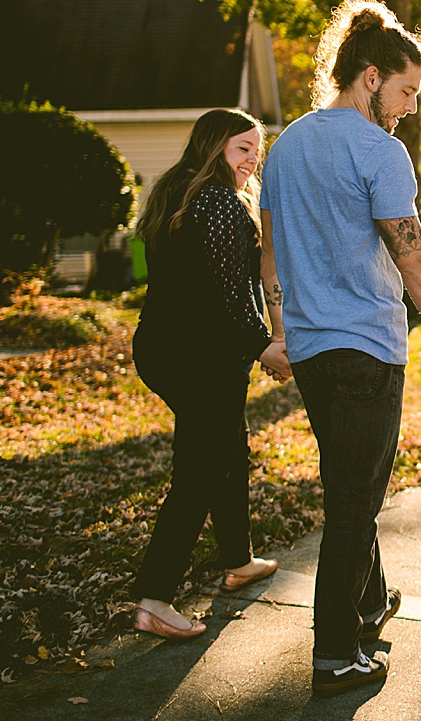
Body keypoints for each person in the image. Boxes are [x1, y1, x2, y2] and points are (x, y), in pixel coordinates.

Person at [259, 0, 421, 695]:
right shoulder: (378, 151)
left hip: (308, 351)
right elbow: (416, 261)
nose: (410, 106)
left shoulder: (288, 145)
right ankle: (336, 655)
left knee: (347, 487)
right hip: (366, 350)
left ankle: (370, 602)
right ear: (370, 78)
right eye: (406, 90)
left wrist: (279, 335)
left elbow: (270, 256)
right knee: (353, 505)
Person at [129, 108, 292, 640]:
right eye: (242, 147)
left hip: (164, 347)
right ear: (214, 146)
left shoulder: (175, 191)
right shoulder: (220, 201)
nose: (253, 158)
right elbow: (229, 294)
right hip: (200, 356)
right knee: (200, 468)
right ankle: (154, 598)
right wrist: (265, 345)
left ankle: (237, 559)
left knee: (228, 448)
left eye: (257, 149)